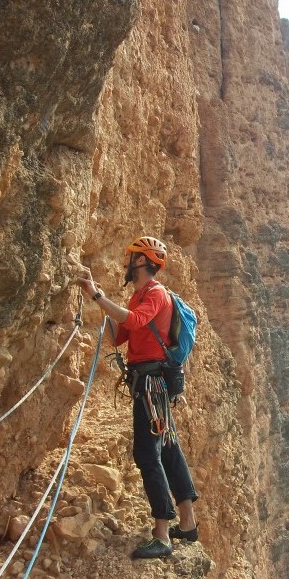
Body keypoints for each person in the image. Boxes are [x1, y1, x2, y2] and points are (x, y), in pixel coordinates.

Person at [76, 236, 199, 559]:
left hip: (151, 383)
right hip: (151, 382)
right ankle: (187, 523)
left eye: (131, 257)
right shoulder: (137, 297)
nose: (125, 262)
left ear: (143, 262)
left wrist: (99, 295)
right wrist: (99, 305)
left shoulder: (156, 294)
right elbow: (119, 336)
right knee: (169, 448)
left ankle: (162, 533)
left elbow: (133, 321)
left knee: (147, 454)